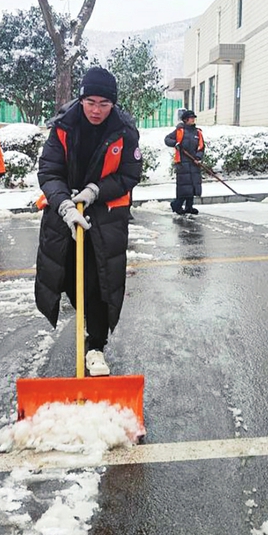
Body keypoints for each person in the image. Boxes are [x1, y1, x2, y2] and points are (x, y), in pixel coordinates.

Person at [34, 67, 143, 377]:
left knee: (99, 283)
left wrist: (96, 190)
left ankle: (95, 346)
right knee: (65, 275)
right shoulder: (64, 126)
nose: (96, 110)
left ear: (114, 104)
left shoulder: (124, 130)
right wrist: (65, 205)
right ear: (81, 98)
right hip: (64, 215)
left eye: (104, 104)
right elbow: (49, 171)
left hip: (105, 218)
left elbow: (129, 174)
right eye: (91, 101)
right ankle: (85, 319)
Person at [164, 109, 205, 215]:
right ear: (186, 120)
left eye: (194, 118)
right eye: (191, 118)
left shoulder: (198, 132)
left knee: (192, 186)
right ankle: (176, 205)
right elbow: (167, 139)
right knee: (184, 187)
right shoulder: (179, 131)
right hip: (182, 162)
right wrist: (175, 143)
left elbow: (201, 147)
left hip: (193, 162)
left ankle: (189, 207)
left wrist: (198, 157)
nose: (193, 120)